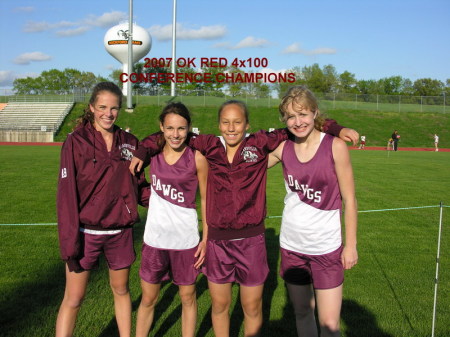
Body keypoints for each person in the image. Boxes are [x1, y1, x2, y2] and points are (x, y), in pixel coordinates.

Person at [131, 101, 359, 337]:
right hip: (218, 243)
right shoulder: (208, 145)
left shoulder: (259, 144)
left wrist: (336, 128)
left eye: (237, 122)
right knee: (220, 306)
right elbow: (169, 132)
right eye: (226, 122)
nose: (231, 128)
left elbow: (299, 123)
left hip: (251, 241)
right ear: (218, 125)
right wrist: (141, 151)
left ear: (247, 124)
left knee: (252, 307)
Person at [55, 82, 149, 337]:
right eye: (102, 107)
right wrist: (69, 240)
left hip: (120, 232)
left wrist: (170, 199)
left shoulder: (129, 142)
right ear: (92, 108)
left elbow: (140, 187)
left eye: (114, 108)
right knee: (74, 298)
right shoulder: (76, 141)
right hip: (86, 233)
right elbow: (65, 196)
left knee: (121, 290)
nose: (108, 113)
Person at [268, 86, 358, 337]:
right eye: (291, 117)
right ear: (284, 120)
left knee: (330, 326)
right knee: (302, 314)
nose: (298, 122)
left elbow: (349, 199)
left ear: (315, 112)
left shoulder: (334, 146)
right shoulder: (282, 148)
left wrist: (350, 246)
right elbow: (247, 167)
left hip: (326, 249)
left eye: (303, 114)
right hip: (292, 246)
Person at [135, 103, 209, 337]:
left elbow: (207, 200)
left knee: (187, 298)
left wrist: (206, 240)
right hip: (155, 240)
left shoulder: (197, 157)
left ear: (188, 128)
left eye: (181, 128)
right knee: (148, 298)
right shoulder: (153, 155)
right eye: (170, 128)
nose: (175, 134)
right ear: (161, 128)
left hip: (185, 242)